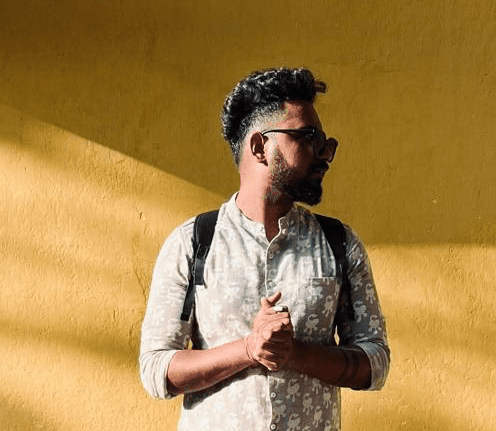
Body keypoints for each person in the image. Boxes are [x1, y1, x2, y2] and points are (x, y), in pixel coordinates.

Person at [139, 68, 389, 431]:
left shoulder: (339, 244)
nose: (324, 155)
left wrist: (296, 354)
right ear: (259, 147)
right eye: (308, 139)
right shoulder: (193, 242)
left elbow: (375, 362)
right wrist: (248, 349)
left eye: (326, 143)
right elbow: (156, 370)